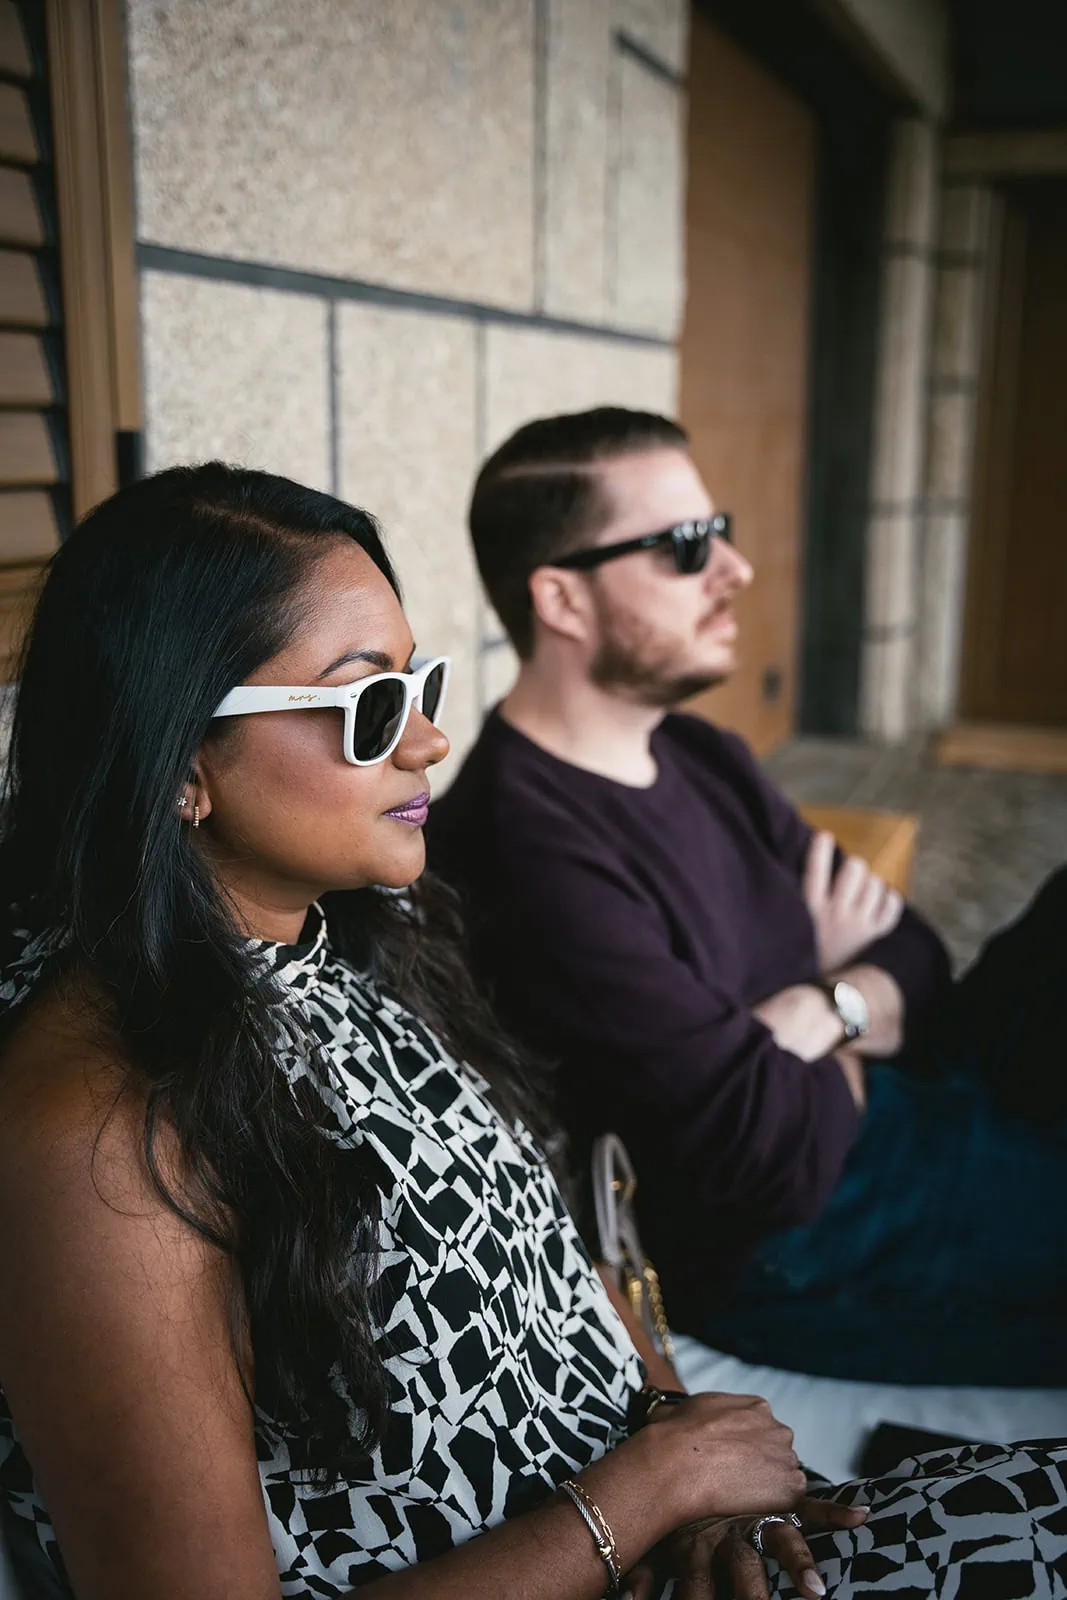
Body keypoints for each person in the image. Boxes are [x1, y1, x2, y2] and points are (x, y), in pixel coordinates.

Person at [0, 465, 1063, 1598]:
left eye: (419, 683)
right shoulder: (102, 1129)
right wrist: (644, 1492)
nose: (427, 740)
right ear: (178, 764)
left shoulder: (343, 940)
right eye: (368, 707)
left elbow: (555, 1268)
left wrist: (675, 1436)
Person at [428, 406, 1067, 1388]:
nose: (734, 568)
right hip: (797, 1238)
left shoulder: (696, 749)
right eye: (686, 547)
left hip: (895, 1103)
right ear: (560, 598)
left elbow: (916, 958)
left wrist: (806, 1015)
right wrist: (847, 998)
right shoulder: (522, 846)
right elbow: (757, 1157)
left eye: (718, 529)